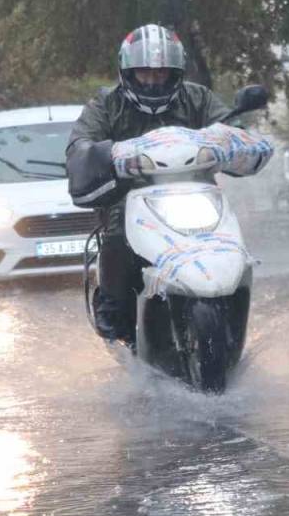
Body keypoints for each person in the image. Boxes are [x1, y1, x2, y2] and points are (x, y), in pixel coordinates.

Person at [66, 24, 236, 343]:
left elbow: (229, 126)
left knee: (228, 233)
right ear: (128, 72)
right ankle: (113, 303)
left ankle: (231, 287)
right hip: (129, 197)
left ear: (177, 73)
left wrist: (237, 136)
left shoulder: (198, 98)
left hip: (196, 192)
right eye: (145, 73)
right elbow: (81, 143)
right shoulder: (105, 105)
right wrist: (96, 154)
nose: (154, 81)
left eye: (162, 74)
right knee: (116, 231)